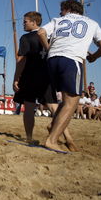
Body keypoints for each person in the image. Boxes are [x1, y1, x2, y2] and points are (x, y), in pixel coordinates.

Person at [39, 0, 101, 152]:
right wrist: (94, 56)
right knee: (72, 102)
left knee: (67, 101)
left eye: (61, 10)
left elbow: (41, 32)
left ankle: (54, 125)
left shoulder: (59, 20)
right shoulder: (91, 23)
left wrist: (49, 48)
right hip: (71, 60)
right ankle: (52, 140)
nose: (60, 13)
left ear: (68, 9)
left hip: (52, 60)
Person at [12, 11, 68, 144]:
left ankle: (29, 137)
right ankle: (67, 136)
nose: (23, 24)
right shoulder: (51, 36)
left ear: (34, 22)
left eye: (25, 21)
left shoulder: (26, 38)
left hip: (30, 76)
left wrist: (15, 78)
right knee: (54, 107)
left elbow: (21, 60)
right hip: (47, 75)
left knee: (29, 107)